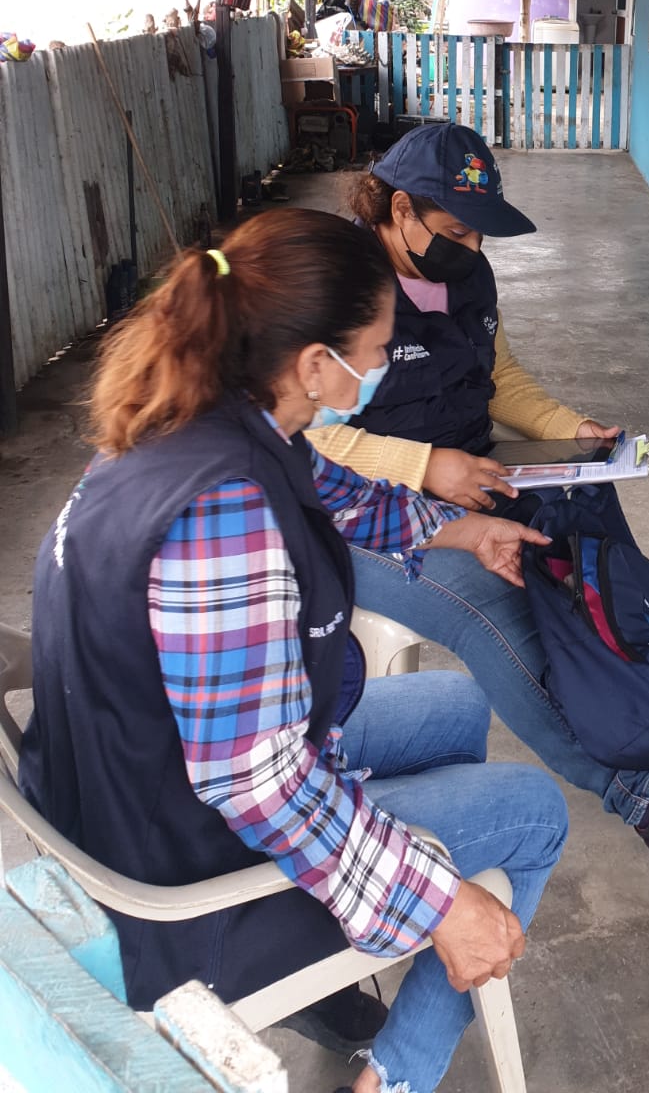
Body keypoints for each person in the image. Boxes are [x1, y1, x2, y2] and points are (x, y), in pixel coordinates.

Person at [19, 210, 569, 1093]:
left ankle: (340, 970)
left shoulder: (190, 416)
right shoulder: (220, 516)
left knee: (458, 706)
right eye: (378, 350)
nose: (383, 367)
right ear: (316, 364)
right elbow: (255, 781)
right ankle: (392, 1075)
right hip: (182, 896)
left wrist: (463, 528)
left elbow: (341, 496)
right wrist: (437, 900)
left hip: (126, 788)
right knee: (533, 813)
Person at [307, 122, 649, 868]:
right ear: (399, 209)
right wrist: (426, 467)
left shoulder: (466, 274)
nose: (471, 249)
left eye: (479, 234)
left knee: (583, 542)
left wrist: (570, 430)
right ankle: (642, 797)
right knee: (492, 600)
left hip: (470, 468)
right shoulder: (331, 285)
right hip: (360, 512)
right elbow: (303, 443)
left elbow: (499, 379)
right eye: (456, 231)